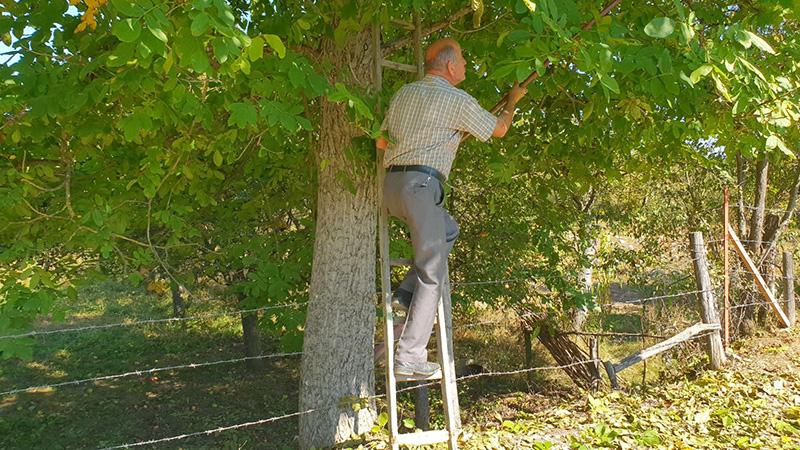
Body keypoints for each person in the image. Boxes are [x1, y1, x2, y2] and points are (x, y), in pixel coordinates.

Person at [376, 38, 527, 377]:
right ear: (449, 66)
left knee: (448, 230)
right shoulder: (457, 100)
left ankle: (405, 291)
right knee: (433, 272)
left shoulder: (404, 94)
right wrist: (512, 102)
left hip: (391, 187)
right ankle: (409, 357)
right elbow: (499, 129)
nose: (466, 65)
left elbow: (381, 141)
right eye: (462, 59)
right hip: (422, 187)